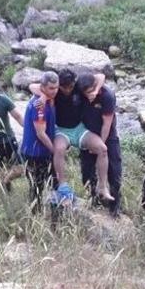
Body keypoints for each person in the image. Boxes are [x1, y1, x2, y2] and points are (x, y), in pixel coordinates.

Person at [29, 69, 108, 199]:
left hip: (79, 128)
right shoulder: (55, 90)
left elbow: (100, 76)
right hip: (61, 130)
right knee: (58, 149)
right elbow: (31, 86)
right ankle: (62, 185)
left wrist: (95, 91)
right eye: (63, 88)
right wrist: (43, 96)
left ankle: (103, 186)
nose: (67, 90)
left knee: (102, 149)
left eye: (70, 87)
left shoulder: (78, 86)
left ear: (74, 83)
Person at [75, 73, 120, 215]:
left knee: (114, 172)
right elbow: (99, 75)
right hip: (87, 135)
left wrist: (99, 144)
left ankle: (114, 207)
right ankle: (93, 200)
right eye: (87, 93)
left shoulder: (107, 96)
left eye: (92, 91)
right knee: (87, 173)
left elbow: (106, 125)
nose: (90, 95)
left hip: (108, 137)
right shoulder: (80, 91)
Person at [20, 71, 59, 213]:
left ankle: (55, 214)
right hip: (35, 153)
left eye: (56, 88)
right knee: (37, 188)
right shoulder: (39, 106)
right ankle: (35, 217)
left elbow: (33, 85)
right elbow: (41, 134)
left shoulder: (47, 97)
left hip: (45, 151)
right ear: (43, 87)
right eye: (51, 88)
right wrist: (56, 152)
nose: (54, 91)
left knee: (55, 183)